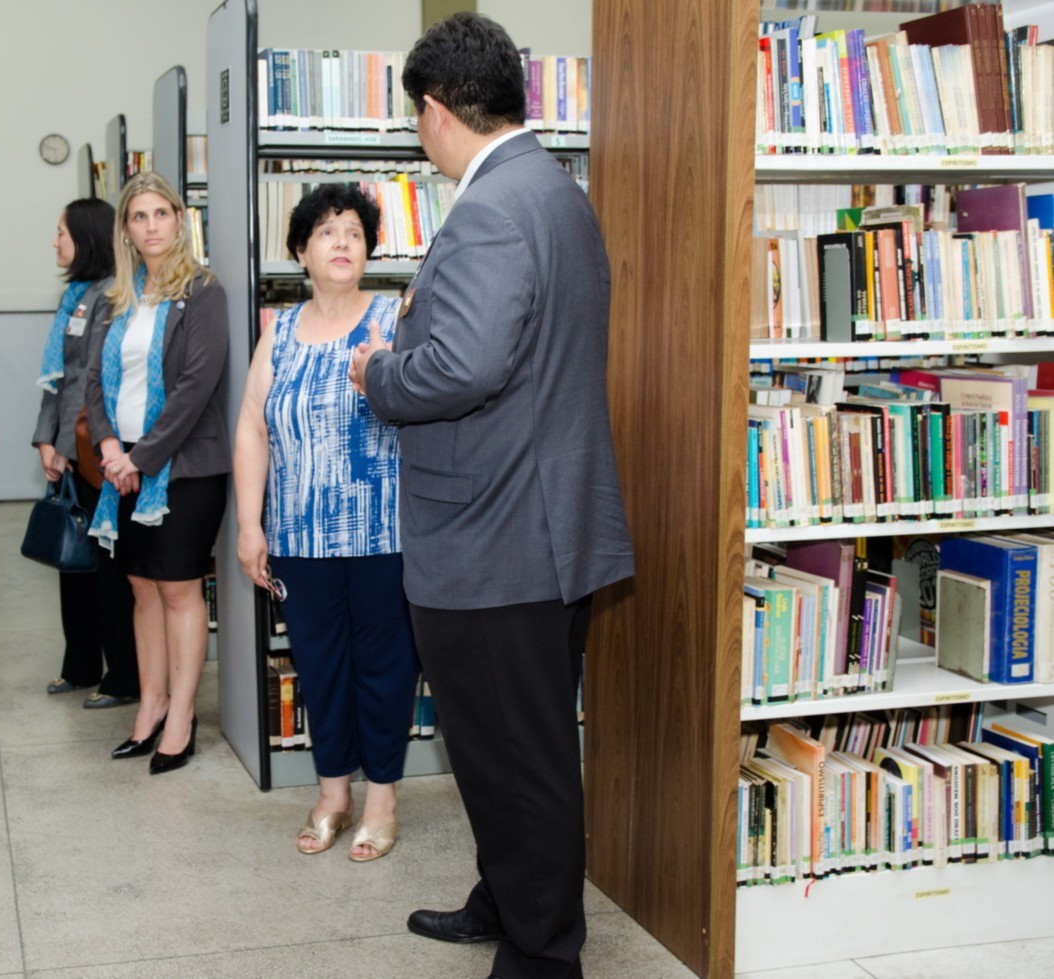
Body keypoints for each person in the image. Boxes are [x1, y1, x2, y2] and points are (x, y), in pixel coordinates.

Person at [349, 14, 634, 978]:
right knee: (518, 747)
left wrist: (380, 373)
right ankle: (507, 898)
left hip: (496, 538)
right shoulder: (552, 190)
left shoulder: (490, 209)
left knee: (518, 759)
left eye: (414, 119)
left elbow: (462, 368)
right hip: (543, 523)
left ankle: (543, 954)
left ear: (435, 111)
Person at [233, 185, 415, 861]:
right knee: (318, 665)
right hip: (299, 537)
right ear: (300, 251)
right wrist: (250, 525)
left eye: (354, 233)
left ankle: (382, 798)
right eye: (327, 231)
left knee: (386, 665)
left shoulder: (396, 318)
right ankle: (333, 793)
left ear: (368, 251)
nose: (342, 242)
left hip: (384, 535)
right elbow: (252, 430)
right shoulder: (277, 332)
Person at [85, 171, 230, 774]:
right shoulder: (112, 296)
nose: (151, 226)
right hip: (121, 465)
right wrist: (110, 447)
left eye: (161, 214)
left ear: (179, 220)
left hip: (186, 467)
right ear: (125, 228)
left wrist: (139, 459)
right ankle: (150, 706)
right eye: (138, 216)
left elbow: (196, 386)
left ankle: (182, 719)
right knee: (141, 588)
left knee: (176, 589)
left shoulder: (204, 291)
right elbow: (92, 380)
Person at [33, 198, 139, 708]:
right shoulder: (74, 295)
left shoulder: (113, 294)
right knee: (71, 561)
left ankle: (122, 676)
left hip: (94, 448)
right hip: (67, 446)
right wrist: (45, 440)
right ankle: (79, 665)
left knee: (104, 569)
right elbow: (56, 378)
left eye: (62, 232)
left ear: (88, 236)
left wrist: (66, 445)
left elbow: (93, 380)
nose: (55, 241)